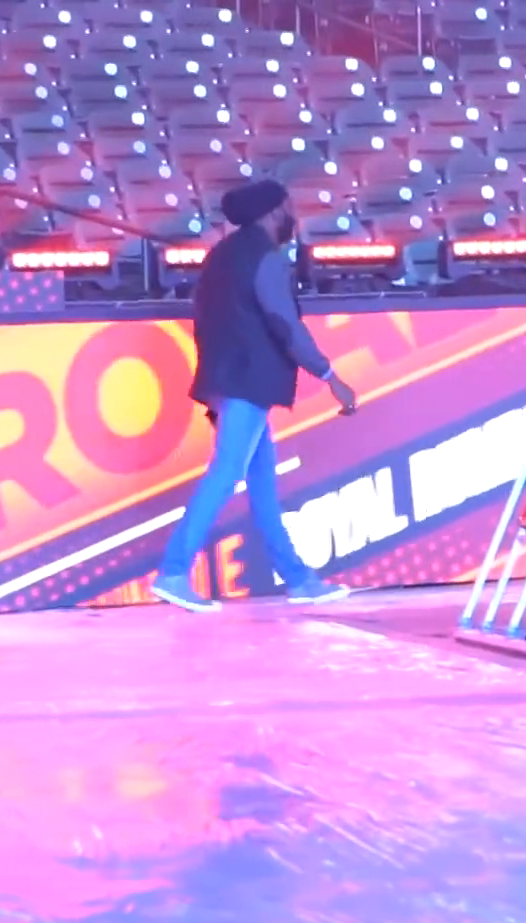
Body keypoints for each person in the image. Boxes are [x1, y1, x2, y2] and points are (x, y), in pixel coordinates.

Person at [151, 179, 360, 612]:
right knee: (227, 473)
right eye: (288, 208)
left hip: (225, 378)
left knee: (262, 484)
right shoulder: (265, 258)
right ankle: (173, 572)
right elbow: (285, 324)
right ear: (271, 213)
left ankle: (299, 580)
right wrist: (329, 376)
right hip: (247, 380)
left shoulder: (220, 254)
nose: (292, 216)